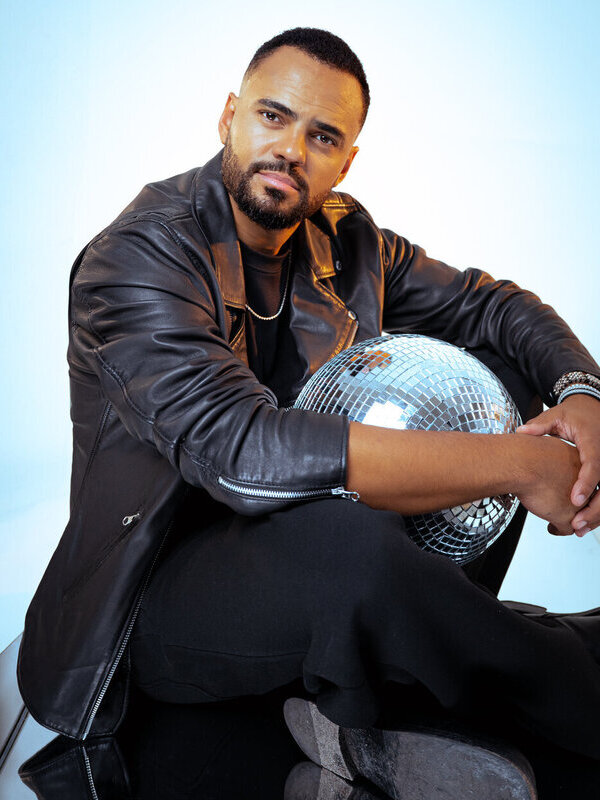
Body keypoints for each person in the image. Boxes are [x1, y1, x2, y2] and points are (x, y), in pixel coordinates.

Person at [18, 25, 600, 788]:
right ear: (229, 116)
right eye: (273, 116)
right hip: (152, 607)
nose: (292, 149)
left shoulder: (344, 236)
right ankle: (568, 685)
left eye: (322, 136)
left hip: (310, 548)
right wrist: (518, 464)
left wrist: (583, 396)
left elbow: (492, 308)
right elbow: (243, 451)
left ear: (346, 159)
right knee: (351, 544)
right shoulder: (137, 257)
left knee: (498, 379)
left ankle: (389, 691)